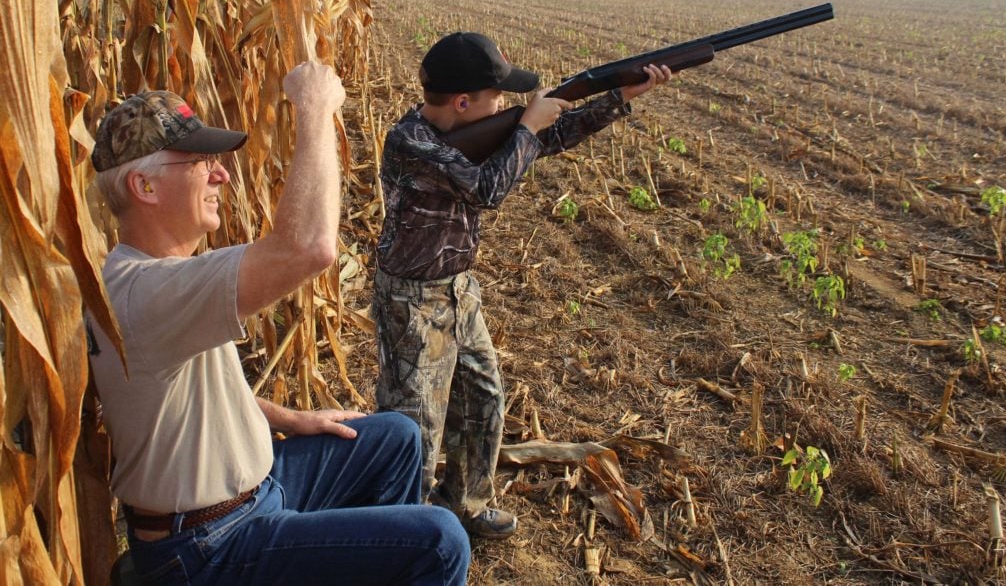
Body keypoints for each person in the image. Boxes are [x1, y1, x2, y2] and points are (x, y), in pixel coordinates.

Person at [87, 62, 470, 585]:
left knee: (397, 438)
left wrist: (283, 417)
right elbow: (309, 247)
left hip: (256, 492)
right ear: (144, 187)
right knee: (441, 542)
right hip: (208, 547)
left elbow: (175, 398)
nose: (221, 173)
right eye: (199, 162)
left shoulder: (153, 278)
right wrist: (314, 108)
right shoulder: (147, 291)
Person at [373, 32, 672, 539]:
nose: (507, 105)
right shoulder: (412, 143)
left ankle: (465, 504)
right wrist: (528, 126)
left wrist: (617, 100)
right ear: (464, 102)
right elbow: (489, 189)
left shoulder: (464, 128)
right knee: (414, 431)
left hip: (458, 291)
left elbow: (541, 140)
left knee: (483, 397)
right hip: (413, 302)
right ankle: (401, 537)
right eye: (499, 97)